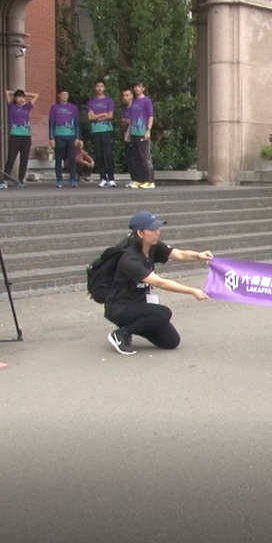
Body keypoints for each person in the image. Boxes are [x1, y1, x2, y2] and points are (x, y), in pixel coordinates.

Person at [105, 210, 213, 355]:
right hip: (120, 307)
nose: (157, 232)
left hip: (139, 304)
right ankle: (122, 333)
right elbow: (160, 283)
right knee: (163, 313)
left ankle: (132, 327)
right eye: (153, 229)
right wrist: (192, 291)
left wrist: (199, 255)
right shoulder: (129, 259)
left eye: (158, 228)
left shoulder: (153, 247)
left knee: (171, 341)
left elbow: (179, 254)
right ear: (140, 233)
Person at [0, 89, 38, 188]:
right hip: (15, 136)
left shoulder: (27, 107)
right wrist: (14, 93)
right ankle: (5, 180)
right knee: (11, 158)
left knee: (24, 159)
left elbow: (36, 95)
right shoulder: (11, 107)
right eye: (18, 97)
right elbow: (6, 92)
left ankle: (21, 180)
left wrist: (26, 93)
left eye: (22, 97)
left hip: (26, 137)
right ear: (15, 98)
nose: (21, 99)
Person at [86, 79, 117, 187]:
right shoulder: (91, 102)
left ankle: (111, 178)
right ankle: (103, 177)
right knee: (99, 155)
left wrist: (97, 116)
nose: (99, 88)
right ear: (95, 88)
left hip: (106, 130)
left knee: (108, 154)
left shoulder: (109, 101)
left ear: (104, 88)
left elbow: (110, 115)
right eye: (97, 86)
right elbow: (90, 117)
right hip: (96, 131)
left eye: (101, 86)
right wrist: (103, 114)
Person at [48, 89, 80, 187]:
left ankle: (73, 180)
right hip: (59, 136)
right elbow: (51, 123)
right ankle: (59, 180)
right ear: (59, 95)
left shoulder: (73, 108)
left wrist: (78, 137)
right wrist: (51, 137)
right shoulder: (54, 108)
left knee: (72, 158)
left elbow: (77, 123)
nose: (65, 96)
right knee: (59, 158)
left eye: (67, 94)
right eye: (63, 94)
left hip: (71, 136)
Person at [129, 80, 156, 189]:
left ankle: (149, 180)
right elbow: (131, 118)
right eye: (135, 86)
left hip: (142, 131)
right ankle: (140, 179)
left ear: (143, 88)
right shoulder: (133, 101)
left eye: (139, 86)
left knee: (144, 156)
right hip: (133, 132)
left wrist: (148, 130)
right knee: (136, 157)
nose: (137, 89)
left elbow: (150, 116)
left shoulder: (146, 101)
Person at [119, 88, 141, 187]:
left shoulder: (136, 107)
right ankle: (134, 178)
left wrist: (127, 121)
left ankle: (140, 178)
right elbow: (123, 123)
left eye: (127, 95)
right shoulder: (124, 109)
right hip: (127, 135)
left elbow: (136, 120)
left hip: (136, 134)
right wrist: (126, 122)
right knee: (130, 157)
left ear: (132, 96)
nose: (125, 98)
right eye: (123, 96)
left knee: (137, 157)